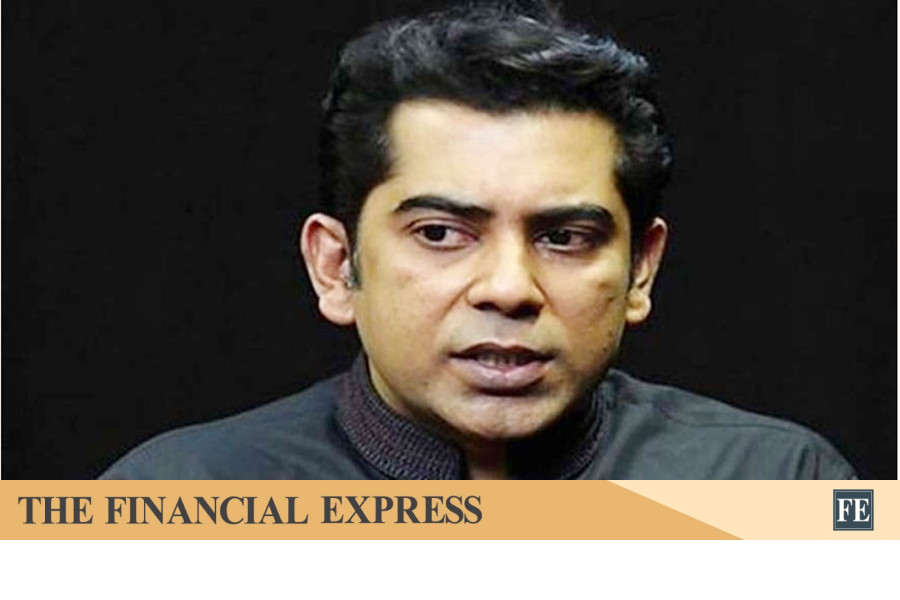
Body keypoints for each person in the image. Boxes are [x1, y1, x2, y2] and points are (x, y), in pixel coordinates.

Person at [101, 1, 856, 480]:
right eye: (440, 233)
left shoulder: (775, 486)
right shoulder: (179, 501)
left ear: (640, 271)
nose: (508, 288)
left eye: (565, 237)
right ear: (336, 266)